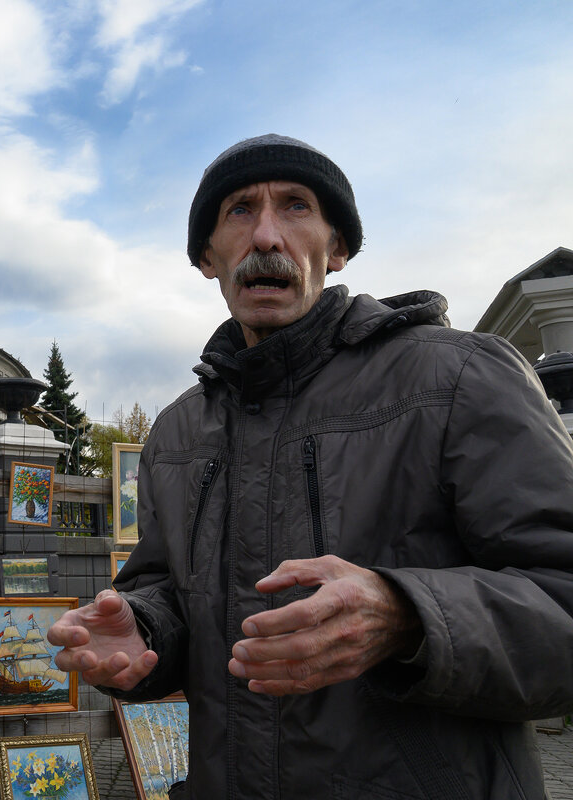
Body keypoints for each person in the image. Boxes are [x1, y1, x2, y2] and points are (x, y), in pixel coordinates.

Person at [48, 134, 573, 799]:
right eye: (239, 211)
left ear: (338, 248)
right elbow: (171, 594)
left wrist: (408, 615)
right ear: (208, 258)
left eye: (296, 207)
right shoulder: (178, 431)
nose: (267, 234)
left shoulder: (460, 378)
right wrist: (141, 629)